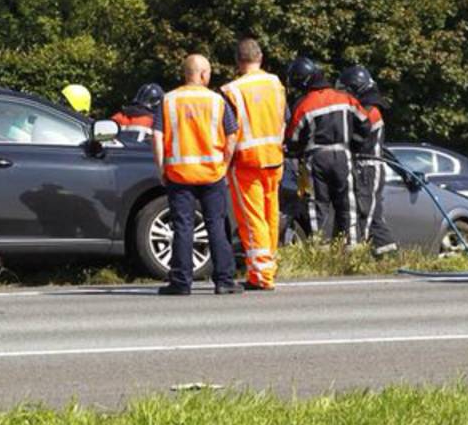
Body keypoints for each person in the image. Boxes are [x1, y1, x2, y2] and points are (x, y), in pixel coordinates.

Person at [152, 54, 241, 295]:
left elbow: (158, 136)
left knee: (183, 227)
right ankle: (224, 281)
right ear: (202, 74)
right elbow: (232, 134)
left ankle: (181, 282)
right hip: (213, 173)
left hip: (179, 174)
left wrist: (162, 167)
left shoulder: (168, 100)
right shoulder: (216, 101)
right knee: (217, 225)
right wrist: (225, 163)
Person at [220, 38, 287, 290]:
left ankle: (260, 275)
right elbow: (284, 119)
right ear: (260, 57)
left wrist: (224, 162)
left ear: (238, 61)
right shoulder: (275, 83)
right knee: (270, 215)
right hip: (274, 157)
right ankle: (268, 266)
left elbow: (230, 131)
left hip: (247, 161)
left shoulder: (232, 90)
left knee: (252, 219)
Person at [284, 56, 369, 243]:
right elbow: (365, 124)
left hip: (316, 159)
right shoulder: (346, 98)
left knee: (317, 205)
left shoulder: (304, 105)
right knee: (348, 203)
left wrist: (295, 152)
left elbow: (292, 139)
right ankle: (352, 247)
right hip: (343, 156)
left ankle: (319, 248)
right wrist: (354, 145)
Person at [338, 65, 398, 257]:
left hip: (367, 168)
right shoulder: (370, 108)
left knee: (364, 212)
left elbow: (357, 139)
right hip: (367, 167)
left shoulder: (369, 111)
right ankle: (387, 255)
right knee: (374, 215)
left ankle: (360, 254)